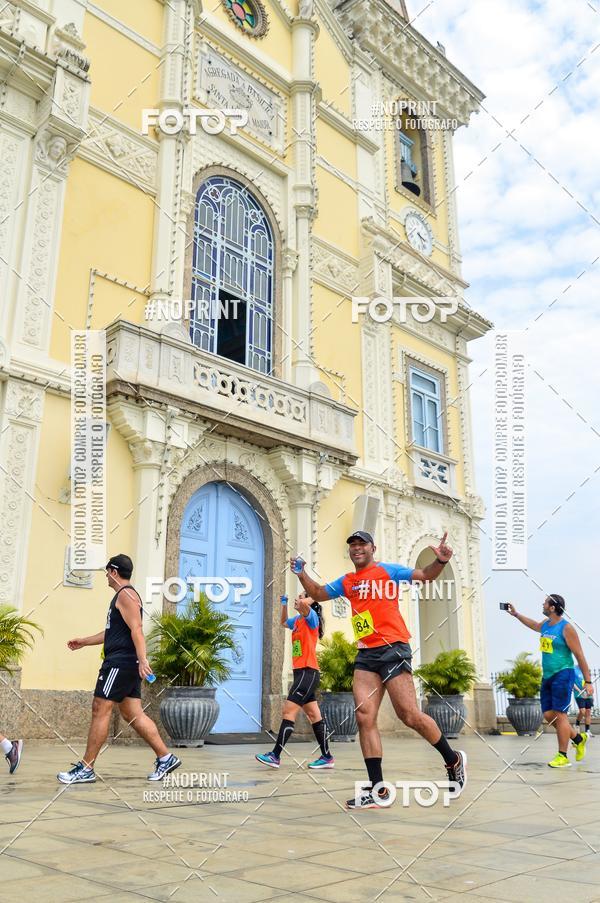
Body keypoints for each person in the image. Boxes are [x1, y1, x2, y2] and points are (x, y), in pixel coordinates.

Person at [291, 531, 466, 809]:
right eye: (353, 545)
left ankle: (452, 759)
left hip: (394, 648)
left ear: (373, 548)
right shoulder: (348, 582)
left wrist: (441, 561)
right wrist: (301, 574)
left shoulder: (388, 571)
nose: (357, 548)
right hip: (366, 653)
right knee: (364, 715)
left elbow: (424, 575)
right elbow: (319, 593)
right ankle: (377, 790)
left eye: (362, 544)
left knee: (409, 715)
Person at [57, 554, 181, 784]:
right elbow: (113, 632)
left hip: (120, 663)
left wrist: (143, 660)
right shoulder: (123, 597)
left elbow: (137, 630)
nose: (105, 576)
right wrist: (84, 641)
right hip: (125, 662)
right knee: (132, 713)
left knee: (100, 708)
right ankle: (166, 757)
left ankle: (86, 768)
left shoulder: (125, 595)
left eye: (107, 572)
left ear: (114, 572)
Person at [506, 595, 593, 767]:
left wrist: (588, 681)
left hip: (563, 673)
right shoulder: (545, 625)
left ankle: (563, 756)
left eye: (545, 603)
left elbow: (580, 655)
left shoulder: (566, 628)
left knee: (560, 714)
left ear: (552, 607)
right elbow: (533, 624)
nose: (543, 605)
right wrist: (516, 614)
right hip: (547, 676)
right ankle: (578, 738)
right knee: (548, 715)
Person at [256, 592, 333, 770]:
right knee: (314, 716)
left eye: (301, 596)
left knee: (288, 711)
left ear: (309, 601)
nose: (297, 598)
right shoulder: (297, 620)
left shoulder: (311, 618)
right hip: (301, 674)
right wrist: (284, 604)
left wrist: (314, 593)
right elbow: (283, 622)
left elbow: (304, 605)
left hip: (308, 672)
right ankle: (327, 756)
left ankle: (275, 756)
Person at [573, 666, 593, 738]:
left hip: (588, 694)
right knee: (582, 711)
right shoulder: (574, 669)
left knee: (588, 711)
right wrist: (579, 690)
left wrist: (589, 689)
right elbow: (572, 682)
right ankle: (577, 724)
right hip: (579, 694)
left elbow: (589, 681)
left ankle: (587, 731)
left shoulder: (587, 669)